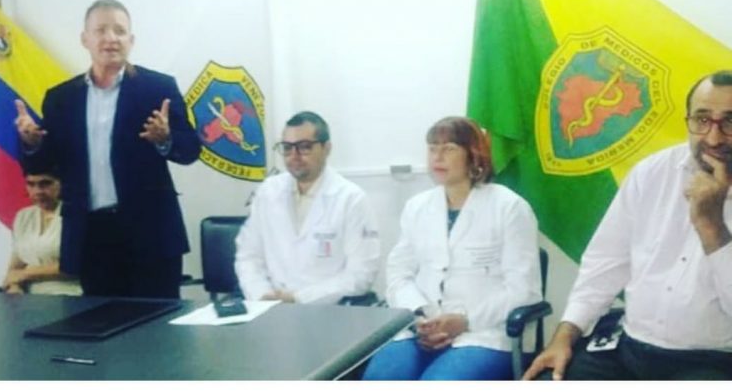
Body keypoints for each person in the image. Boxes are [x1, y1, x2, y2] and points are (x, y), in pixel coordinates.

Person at [523, 71, 732, 381]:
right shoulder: (651, 173)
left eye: (730, 122)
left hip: (713, 359)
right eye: (702, 120)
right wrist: (564, 335)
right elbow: (605, 264)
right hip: (628, 347)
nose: (714, 138)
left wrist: (712, 226)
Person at [14, 0, 201, 299]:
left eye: (119, 31)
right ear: (85, 39)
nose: (111, 38)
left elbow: (191, 150)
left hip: (151, 234)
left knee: (158, 324)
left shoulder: (158, 88)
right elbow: (45, 166)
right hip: (91, 237)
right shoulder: (61, 98)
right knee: (100, 323)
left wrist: (165, 139)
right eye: (100, 30)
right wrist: (31, 144)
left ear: (131, 40)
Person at [362, 116, 542, 380]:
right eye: (432, 148)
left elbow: (524, 290)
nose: (438, 157)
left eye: (449, 148)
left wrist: (464, 320)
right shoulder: (417, 207)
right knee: (380, 379)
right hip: (420, 329)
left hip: (485, 333)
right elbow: (399, 274)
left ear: (473, 155)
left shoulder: (510, 207)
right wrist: (419, 315)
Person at [234, 111, 380, 304]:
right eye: (287, 148)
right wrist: (262, 295)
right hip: (270, 307)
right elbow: (248, 256)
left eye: (304, 147)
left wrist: (298, 298)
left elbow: (361, 273)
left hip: (329, 308)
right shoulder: (268, 192)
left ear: (326, 148)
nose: (294, 156)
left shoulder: (351, 199)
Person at [0, 166, 81, 295]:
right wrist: (14, 287)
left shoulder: (77, 215)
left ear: (62, 183)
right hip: (28, 295)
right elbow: (15, 268)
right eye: (31, 184)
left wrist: (26, 274)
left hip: (69, 294)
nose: (38, 191)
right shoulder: (23, 216)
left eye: (45, 183)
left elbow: (76, 267)